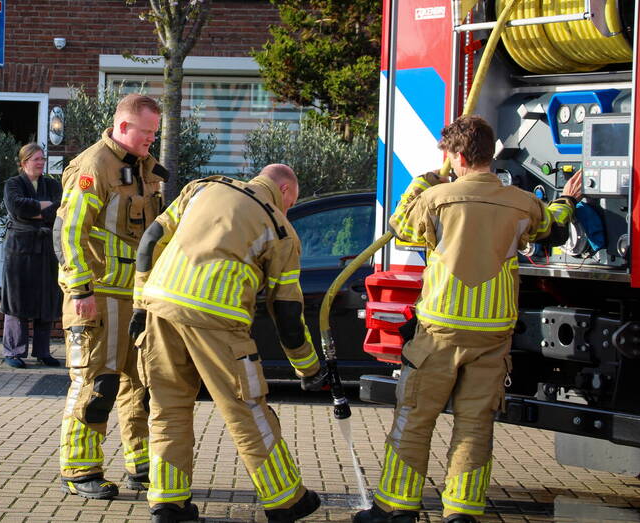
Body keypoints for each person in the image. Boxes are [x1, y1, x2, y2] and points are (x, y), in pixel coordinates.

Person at [353, 115, 582, 523]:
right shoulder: (521, 202)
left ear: (457, 157)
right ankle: (461, 511)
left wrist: (423, 182)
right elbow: (556, 229)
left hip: (438, 333)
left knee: (415, 419)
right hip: (492, 336)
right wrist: (566, 199)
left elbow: (400, 227)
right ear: (489, 153)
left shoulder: (436, 198)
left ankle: (396, 508)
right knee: (475, 425)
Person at [132, 164, 325, 523]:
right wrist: (309, 368)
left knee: (167, 408)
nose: (289, 210)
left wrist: (140, 305)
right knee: (247, 409)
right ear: (284, 191)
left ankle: (168, 504)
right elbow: (287, 314)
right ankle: (285, 500)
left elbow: (150, 240)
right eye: (291, 203)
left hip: (161, 307)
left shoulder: (201, 188)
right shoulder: (279, 229)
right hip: (217, 321)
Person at [53, 93, 167, 500]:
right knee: (96, 383)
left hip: (136, 297)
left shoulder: (145, 167)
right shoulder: (94, 165)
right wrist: (80, 289)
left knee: (141, 384)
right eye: (146, 132)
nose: (151, 139)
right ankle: (80, 469)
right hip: (98, 295)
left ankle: (141, 465)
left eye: (155, 133)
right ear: (122, 126)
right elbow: (69, 233)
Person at [0, 143, 62, 368]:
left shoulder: (52, 185)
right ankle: (13, 351)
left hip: (46, 250)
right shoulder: (13, 184)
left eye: (42, 158)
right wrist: (43, 208)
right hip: (20, 251)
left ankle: (43, 351)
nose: (41, 163)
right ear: (24, 162)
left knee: (45, 300)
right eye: (36, 159)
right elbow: (17, 208)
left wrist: (35, 209)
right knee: (17, 301)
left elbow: (59, 209)